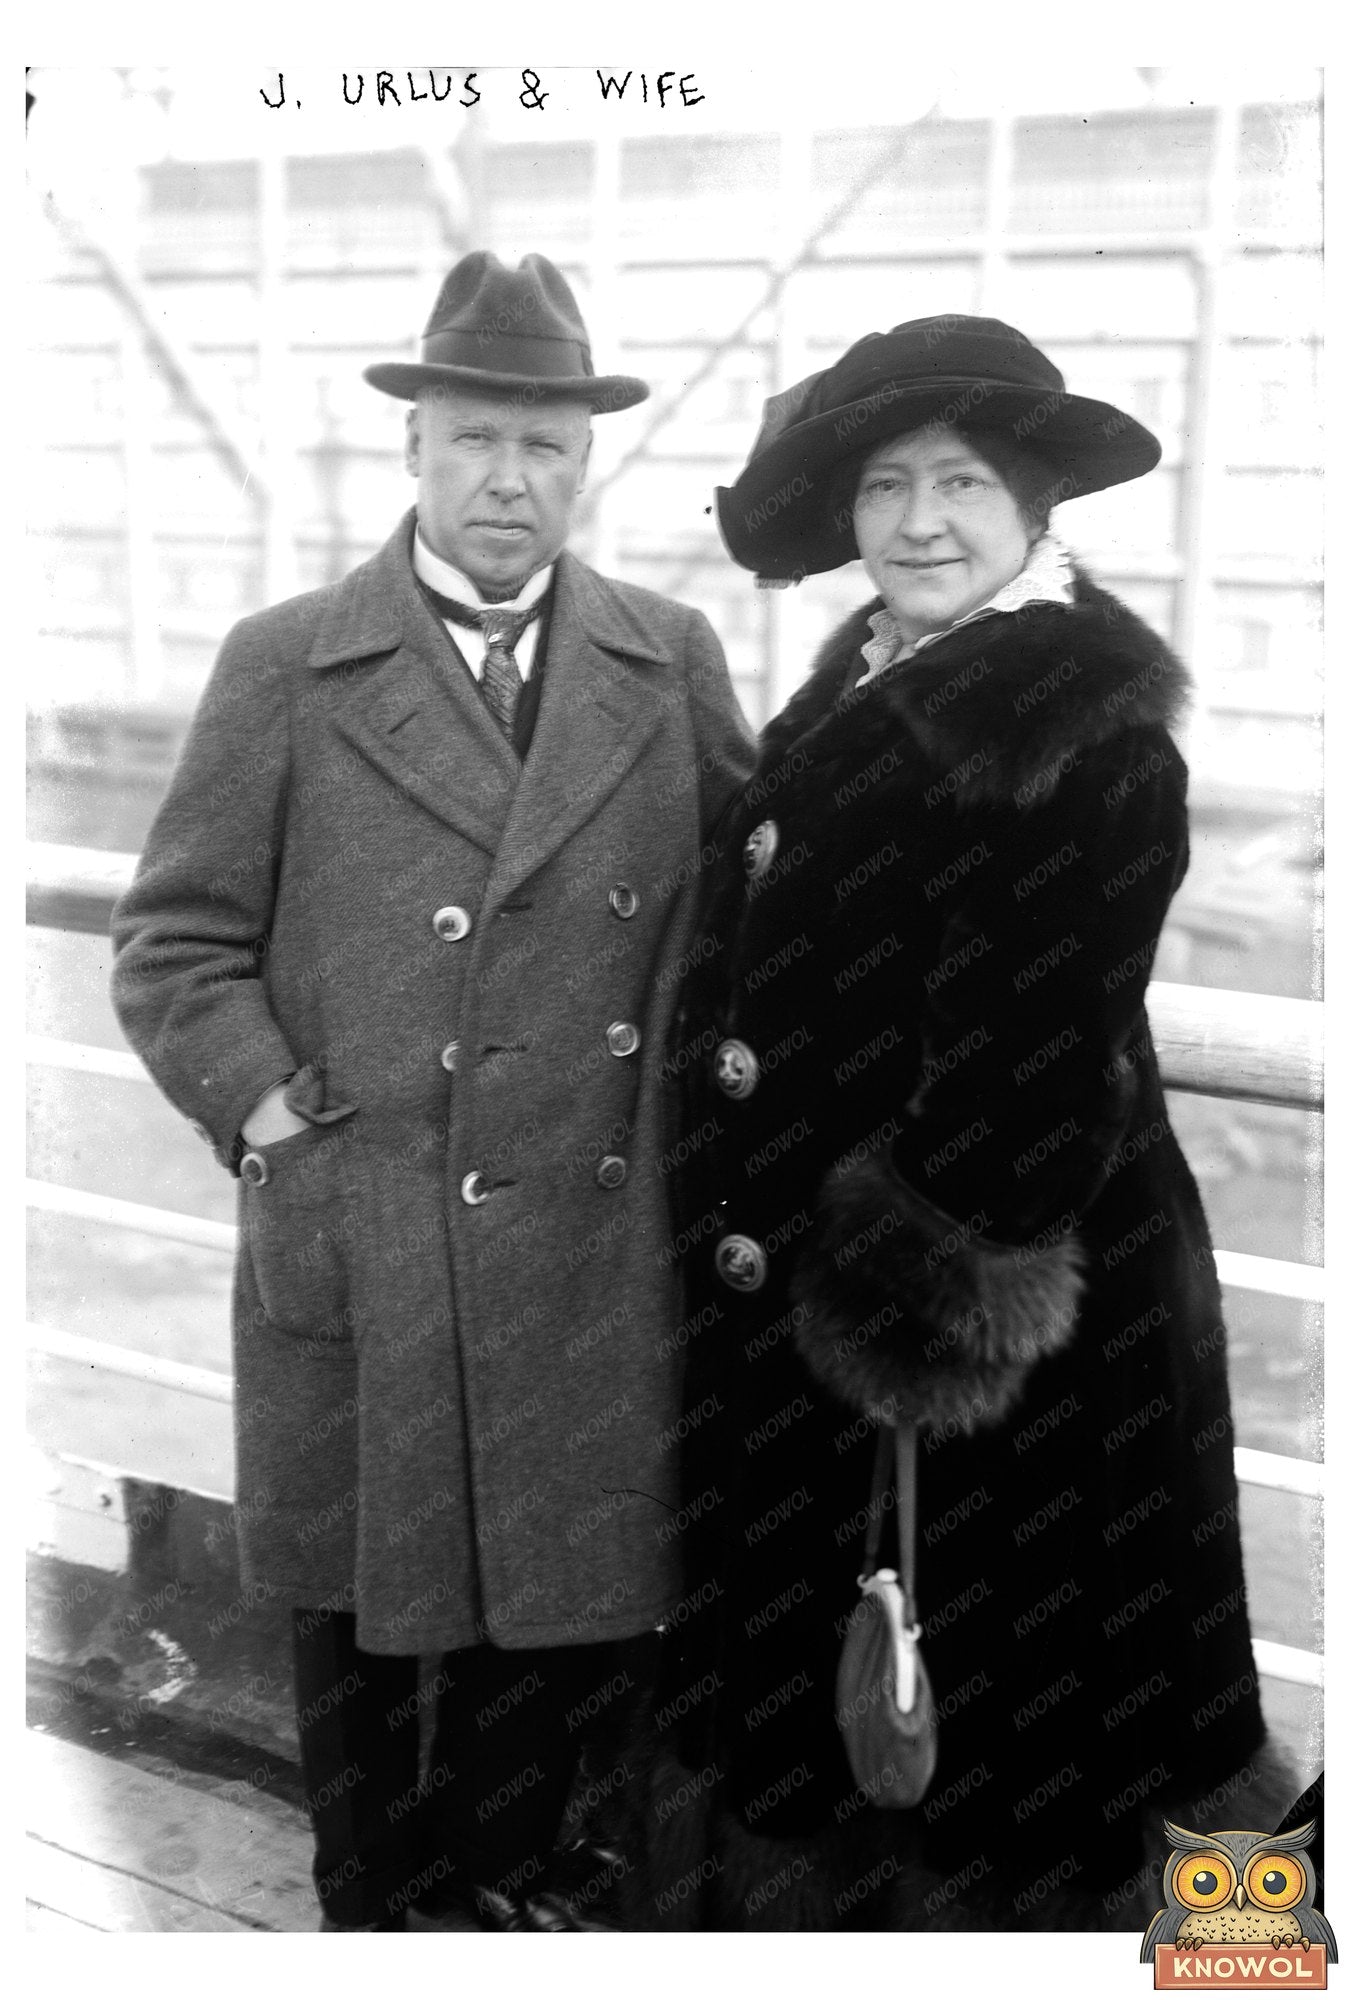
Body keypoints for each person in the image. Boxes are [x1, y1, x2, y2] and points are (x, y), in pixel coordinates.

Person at [110, 251, 754, 1932]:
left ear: (584, 463)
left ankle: (513, 1911)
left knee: (554, 1655)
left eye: (543, 448)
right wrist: (270, 1122)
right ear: (411, 451)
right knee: (359, 1655)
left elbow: (764, 924)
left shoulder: (666, 658)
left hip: (592, 1259)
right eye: (474, 440)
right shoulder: (287, 664)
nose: (507, 481)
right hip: (369, 1229)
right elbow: (174, 942)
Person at [670, 314, 1268, 1921]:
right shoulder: (894, 669)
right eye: (881, 484)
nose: (917, 520)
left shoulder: (1076, 735)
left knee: (1014, 1724)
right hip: (864, 1309)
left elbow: (1023, 1070)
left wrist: (892, 1325)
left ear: (1035, 510)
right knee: (912, 1700)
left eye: (960, 482)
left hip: (976, 1343)